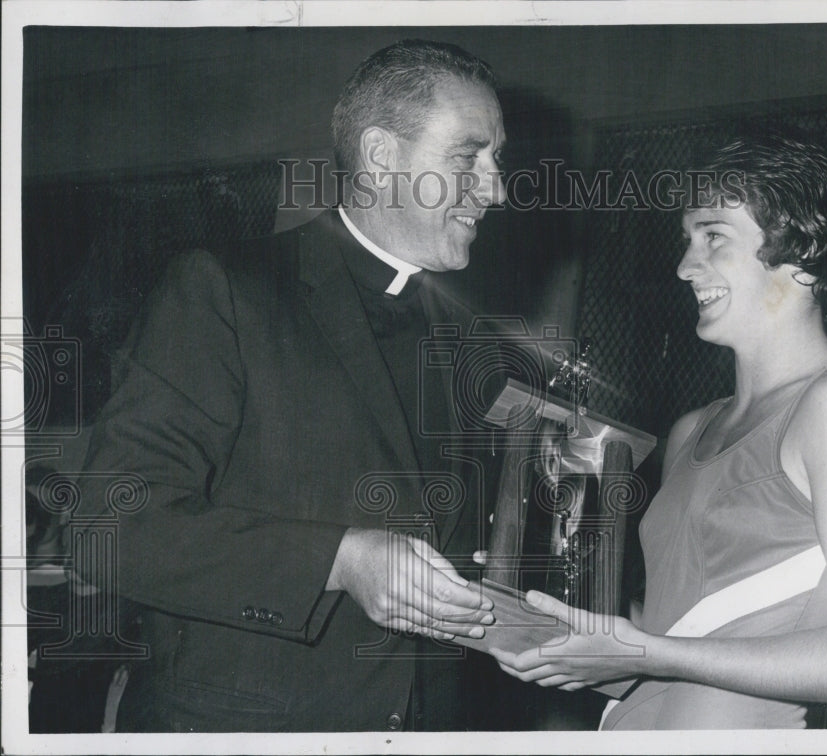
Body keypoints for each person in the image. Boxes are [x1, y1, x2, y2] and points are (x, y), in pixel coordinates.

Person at [74, 39, 507, 731]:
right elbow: (110, 525)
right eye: (469, 158)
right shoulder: (224, 288)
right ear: (381, 156)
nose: (496, 188)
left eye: (495, 162)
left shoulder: (472, 345)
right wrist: (336, 560)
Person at [489, 134, 827, 729]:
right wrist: (541, 608)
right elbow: (683, 641)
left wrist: (649, 651)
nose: (683, 266)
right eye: (687, 239)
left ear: (799, 249)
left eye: (714, 237)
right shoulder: (691, 430)